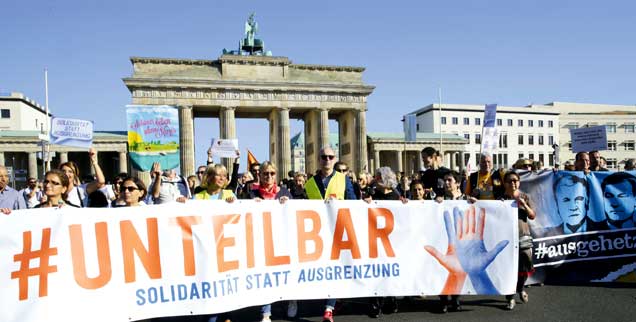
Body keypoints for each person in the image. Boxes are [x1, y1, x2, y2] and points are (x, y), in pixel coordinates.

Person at [303, 146, 355, 322]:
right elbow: (302, 206)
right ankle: (331, 299)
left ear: (334, 159)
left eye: (330, 157)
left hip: (338, 230)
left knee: (335, 269)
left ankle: (329, 308)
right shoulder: (309, 183)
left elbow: (353, 202)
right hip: (317, 234)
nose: (327, 160)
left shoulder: (343, 179)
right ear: (319, 159)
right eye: (323, 157)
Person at [247, 161, 294, 321]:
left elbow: (294, 215)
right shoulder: (252, 194)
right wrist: (251, 206)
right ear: (259, 175)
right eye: (265, 173)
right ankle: (266, 313)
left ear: (276, 175)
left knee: (285, 274)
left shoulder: (285, 192)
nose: (269, 176)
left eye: (272, 173)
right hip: (261, 240)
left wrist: (287, 204)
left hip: (282, 239)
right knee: (264, 276)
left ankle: (291, 300)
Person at [363, 167, 401, 318]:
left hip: (391, 240)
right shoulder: (374, 194)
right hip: (375, 239)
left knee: (388, 272)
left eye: (378, 177)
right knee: (376, 271)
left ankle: (390, 300)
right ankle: (375, 303)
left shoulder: (395, 195)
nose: (374, 180)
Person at [433, 171, 468, 312]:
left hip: (459, 241)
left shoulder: (465, 199)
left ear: (457, 183)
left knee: (457, 270)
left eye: (450, 180)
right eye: (445, 180)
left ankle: (455, 299)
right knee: (442, 270)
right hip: (443, 239)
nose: (446, 183)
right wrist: (436, 203)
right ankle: (443, 301)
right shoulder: (440, 199)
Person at [501, 171, 535, 310]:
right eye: (509, 181)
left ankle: (520, 288)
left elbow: (532, 215)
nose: (513, 183)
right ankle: (510, 298)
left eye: (515, 180)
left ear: (519, 182)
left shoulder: (525, 197)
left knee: (525, 267)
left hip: (523, 236)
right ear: (505, 183)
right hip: (507, 237)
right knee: (509, 269)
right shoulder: (501, 198)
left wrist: (524, 205)